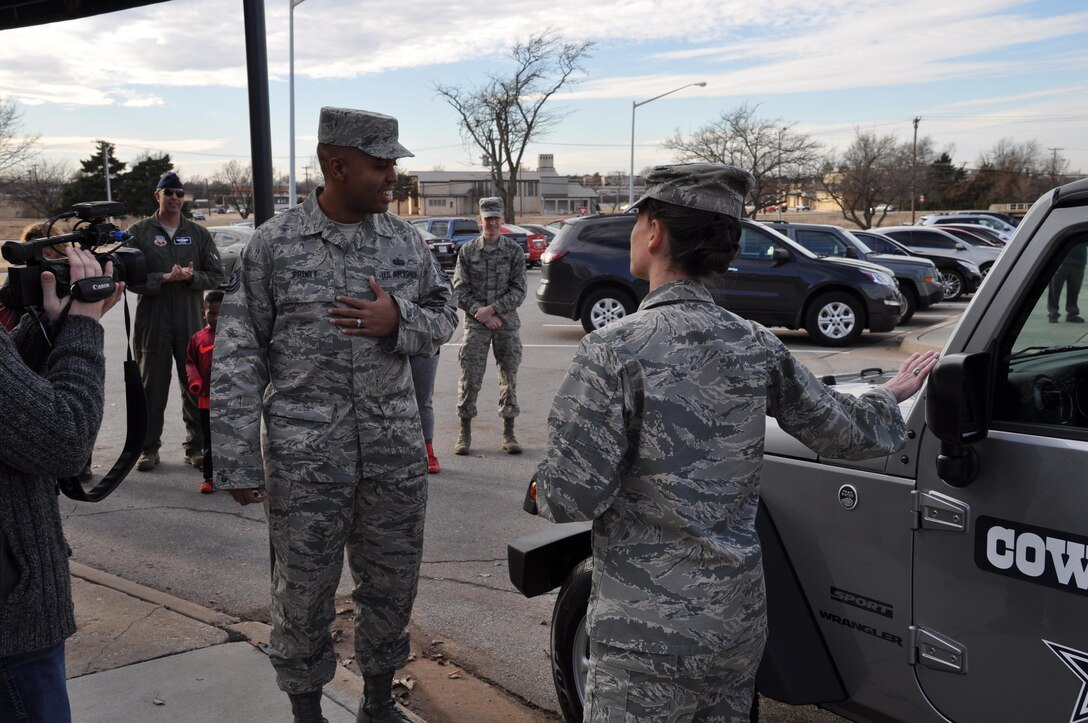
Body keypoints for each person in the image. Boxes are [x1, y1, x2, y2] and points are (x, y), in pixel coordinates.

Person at [533, 163, 938, 722]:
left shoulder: (614, 349)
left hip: (647, 632)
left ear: (654, 233)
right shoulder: (753, 342)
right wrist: (888, 393)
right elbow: (841, 431)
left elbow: (567, 497)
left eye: (637, 223)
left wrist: (546, 478)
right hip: (734, 623)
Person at [210, 106, 457, 723]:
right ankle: (306, 710)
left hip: (393, 453)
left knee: (392, 583)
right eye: (380, 165)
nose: (392, 176)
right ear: (335, 163)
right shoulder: (275, 245)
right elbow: (238, 356)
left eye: (393, 163)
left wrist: (399, 319)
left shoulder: (404, 241)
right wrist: (238, 458)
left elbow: (445, 316)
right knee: (303, 590)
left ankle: (377, 701)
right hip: (305, 459)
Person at [0, 247, 123, 722]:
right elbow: (64, 440)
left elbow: (15, 402)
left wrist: (48, 329)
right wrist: (85, 326)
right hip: (11, 627)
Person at [127, 171, 224, 472]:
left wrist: (191, 277)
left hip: (189, 318)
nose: (174, 198)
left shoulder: (198, 233)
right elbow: (130, 278)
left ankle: (196, 447)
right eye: (168, 192)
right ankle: (148, 449)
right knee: (151, 388)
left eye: (179, 193)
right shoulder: (139, 232)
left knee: (194, 385)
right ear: (157, 195)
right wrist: (162, 278)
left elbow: (218, 275)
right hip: (153, 320)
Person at [452, 196, 527, 455]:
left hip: (505, 322)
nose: (492, 222)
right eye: (487, 218)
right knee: (470, 378)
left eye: (496, 218)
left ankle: (509, 432)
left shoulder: (514, 251)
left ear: (502, 220)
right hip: (476, 325)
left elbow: (519, 291)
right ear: (479, 220)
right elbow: (459, 290)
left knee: (509, 377)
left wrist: (492, 310)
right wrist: (480, 314)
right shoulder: (468, 251)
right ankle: (464, 432)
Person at [185, 290, 223, 494]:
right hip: (206, 401)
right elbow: (190, 363)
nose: (217, 318)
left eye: (221, 313)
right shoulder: (197, 339)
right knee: (209, 441)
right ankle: (209, 477)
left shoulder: (235, 336)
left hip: (231, 400)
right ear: (203, 313)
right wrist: (196, 383)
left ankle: (233, 477)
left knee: (230, 439)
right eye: (212, 314)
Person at [410, 352, 442, 473]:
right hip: (391, 344)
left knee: (423, 401)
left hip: (425, 344)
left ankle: (428, 453)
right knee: (392, 400)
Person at [1047, 242, 1086, 323]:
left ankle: (1071, 313)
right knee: (1055, 289)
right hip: (1061, 260)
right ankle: (1054, 313)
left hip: (1078, 262)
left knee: (1074, 289)